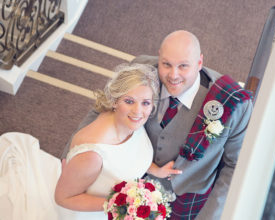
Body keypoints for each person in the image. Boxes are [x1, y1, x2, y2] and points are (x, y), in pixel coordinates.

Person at [66, 30, 253, 220]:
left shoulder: (233, 104)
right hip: (131, 178)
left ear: (199, 63)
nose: (173, 75)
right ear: (159, 58)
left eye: (183, 66)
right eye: (166, 64)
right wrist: (72, 157)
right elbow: (102, 109)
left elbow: (236, 166)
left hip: (187, 196)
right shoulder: (140, 69)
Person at [0, 63, 172, 219]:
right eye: (129, 101)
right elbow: (62, 198)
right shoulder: (93, 154)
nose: (138, 111)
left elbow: (131, 155)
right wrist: (120, 204)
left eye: (146, 103)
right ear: (115, 101)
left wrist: (157, 171)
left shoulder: (131, 123)